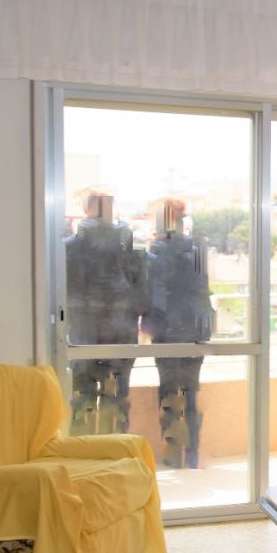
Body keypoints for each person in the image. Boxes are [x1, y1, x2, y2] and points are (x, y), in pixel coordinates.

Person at [65, 192, 147, 435]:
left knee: (83, 400)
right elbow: (143, 299)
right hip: (121, 334)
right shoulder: (133, 249)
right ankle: (116, 451)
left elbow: (62, 295)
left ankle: (84, 451)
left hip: (82, 336)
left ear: (86, 210)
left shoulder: (68, 249)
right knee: (116, 400)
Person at [143, 198, 215, 468]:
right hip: (196, 326)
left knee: (169, 390)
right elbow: (201, 286)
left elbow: (156, 290)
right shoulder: (197, 248)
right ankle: (192, 453)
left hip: (168, 329)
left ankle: (173, 453)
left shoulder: (157, 250)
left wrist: (148, 322)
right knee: (191, 390)